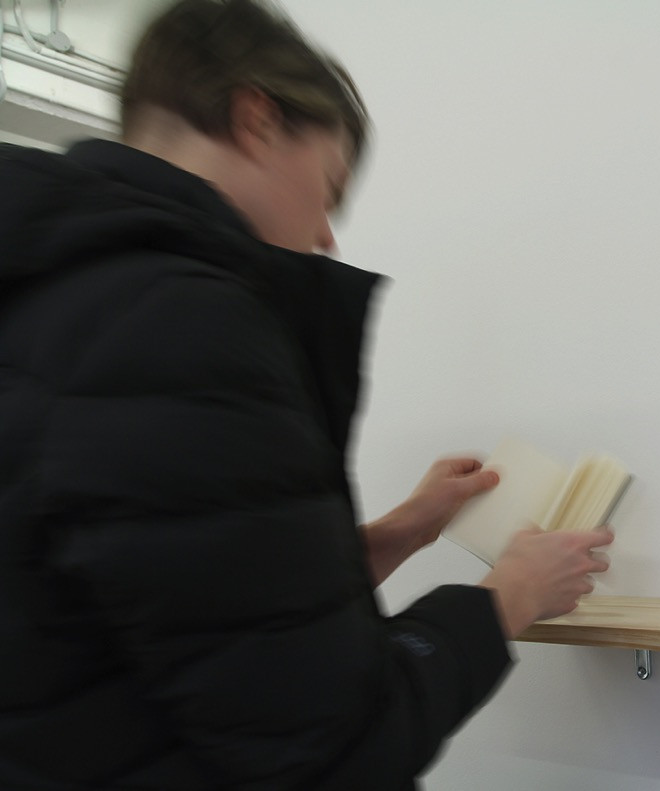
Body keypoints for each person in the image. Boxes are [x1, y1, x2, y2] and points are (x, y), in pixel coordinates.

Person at [0, 1, 613, 788]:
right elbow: (333, 745)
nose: (327, 234)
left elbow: (181, 602)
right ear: (256, 119)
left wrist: (402, 530)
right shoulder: (182, 323)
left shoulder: (51, 295)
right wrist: (511, 593)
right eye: (329, 189)